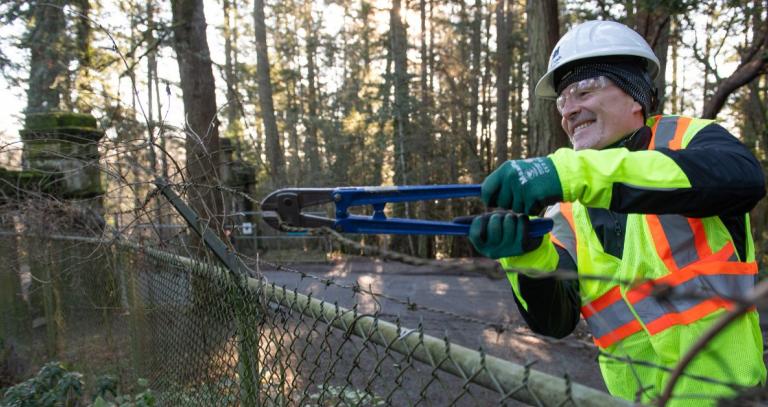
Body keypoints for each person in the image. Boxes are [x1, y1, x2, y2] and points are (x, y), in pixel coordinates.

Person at [468, 20, 767, 404]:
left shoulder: (691, 140)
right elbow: (556, 320)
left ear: (635, 96)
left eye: (583, 91)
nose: (569, 111)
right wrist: (525, 254)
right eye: (562, 101)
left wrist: (575, 172)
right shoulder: (567, 208)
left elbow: (743, 179)